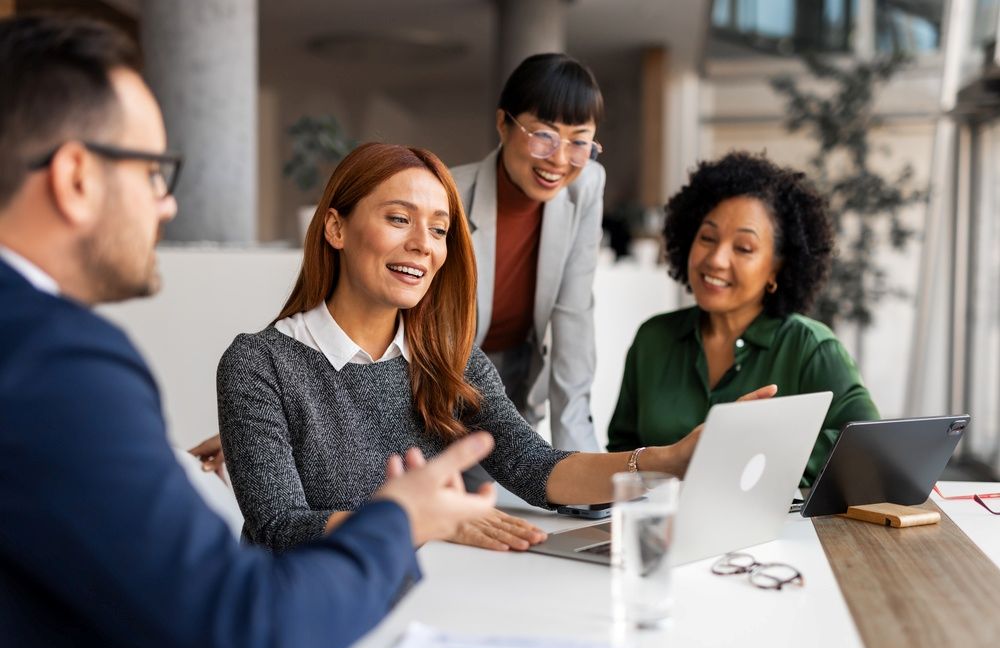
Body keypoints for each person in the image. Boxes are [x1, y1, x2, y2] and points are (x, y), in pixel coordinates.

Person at [0, 15, 498, 648]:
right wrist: (399, 522)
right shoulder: (60, 363)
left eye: (438, 229)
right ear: (75, 178)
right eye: (154, 171)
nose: (167, 204)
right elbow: (247, 629)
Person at [216, 141, 777, 554]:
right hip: (305, 609)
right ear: (335, 229)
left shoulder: (450, 359)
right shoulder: (260, 363)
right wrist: (421, 519)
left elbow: (533, 467)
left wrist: (668, 460)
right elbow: (278, 526)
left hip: (432, 596)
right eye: (397, 219)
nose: (422, 244)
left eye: (439, 229)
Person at [606, 152, 880, 486]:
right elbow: (621, 452)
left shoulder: (810, 347)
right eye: (707, 238)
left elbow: (867, 447)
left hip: (773, 533)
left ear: (777, 267)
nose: (717, 259)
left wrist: (750, 459)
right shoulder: (654, 338)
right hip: (661, 530)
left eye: (744, 248)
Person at [451, 53, 606, 458]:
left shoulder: (586, 184)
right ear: (503, 123)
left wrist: (582, 465)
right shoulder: (446, 193)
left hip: (518, 370)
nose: (559, 159)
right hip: (442, 377)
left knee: (517, 498)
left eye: (579, 141)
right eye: (544, 134)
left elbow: (573, 314)